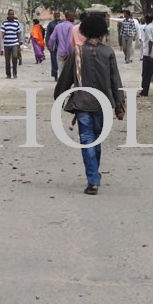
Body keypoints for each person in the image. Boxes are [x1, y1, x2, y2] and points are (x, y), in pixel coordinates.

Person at [54, 16, 125, 195]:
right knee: (97, 139)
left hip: (82, 103)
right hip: (103, 104)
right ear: (102, 32)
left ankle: (93, 180)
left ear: (84, 31)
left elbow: (65, 79)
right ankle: (94, 175)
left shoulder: (77, 52)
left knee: (87, 140)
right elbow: (115, 80)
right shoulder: (108, 53)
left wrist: (59, 97)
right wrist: (120, 104)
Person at [48, 11, 75, 76]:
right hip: (69, 53)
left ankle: (61, 82)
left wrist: (51, 48)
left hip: (60, 51)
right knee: (69, 72)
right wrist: (67, 53)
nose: (74, 18)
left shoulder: (58, 26)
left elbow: (51, 38)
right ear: (68, 17)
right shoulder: (71, 26)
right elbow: (69, 41)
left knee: (61, 71)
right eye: (73, 16)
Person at [0, 9, 21, 79]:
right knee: (7, 60)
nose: (11, 15)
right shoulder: (4, 23)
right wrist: (0, 41)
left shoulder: (17, 22)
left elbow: (18, 32)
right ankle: (8, 74)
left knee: (15, 57)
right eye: (10, 14)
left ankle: (15, 73)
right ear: (8, 15)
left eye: (12, 14)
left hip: (14, 43)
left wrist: (18, 42)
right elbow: (2, 33)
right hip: (6, 44)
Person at [45, 11, 61, 81]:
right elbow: (48, 35)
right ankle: (55, 75)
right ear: (54, 16)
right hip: (53, 45)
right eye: (56, 15)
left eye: (58, 15)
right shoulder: (51, 24)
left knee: (62, 61)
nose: (57, 16)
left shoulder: (62, 23)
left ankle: (62, 75)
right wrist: (48, 45)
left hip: (61, 44)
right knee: (54, 60)